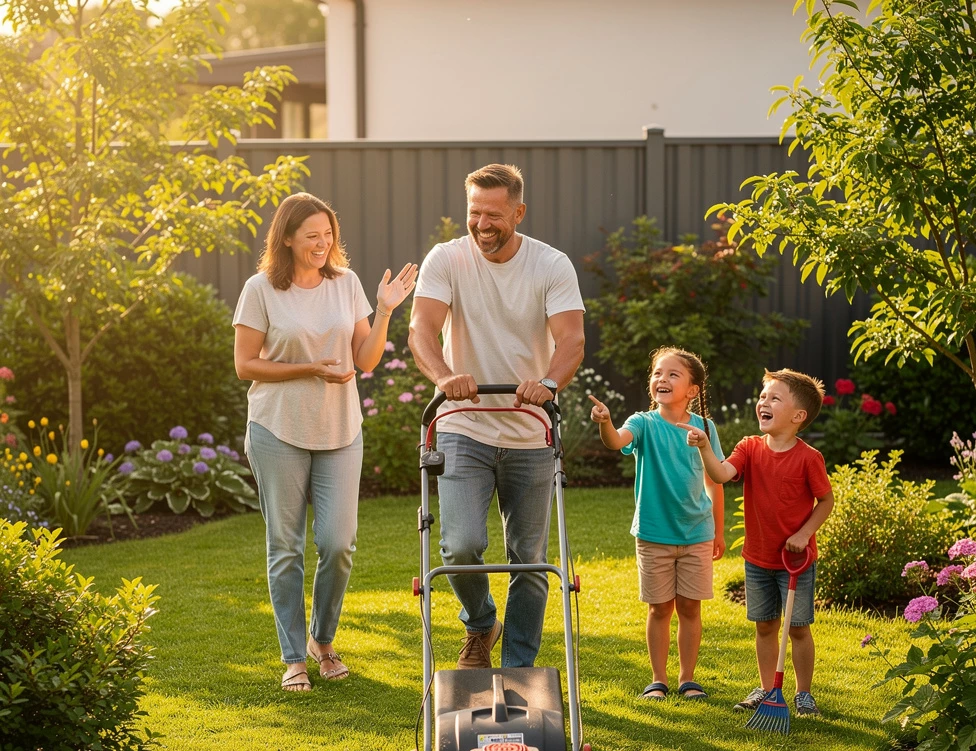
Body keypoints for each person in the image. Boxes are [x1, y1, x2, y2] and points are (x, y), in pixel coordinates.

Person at [233, 192, 417, 692]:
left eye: (328, 234)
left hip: (340, 429)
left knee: (337, 543)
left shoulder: (346, 283)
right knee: (285, 546)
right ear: (287, 238)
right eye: (311, 235)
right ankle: (294, 656)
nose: (322, 243)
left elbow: (366, 360)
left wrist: (385, 311)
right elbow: (245, 364)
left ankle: (323, 639)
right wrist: (309, 369)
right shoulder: (260, 289)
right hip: (277, 428)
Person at [408, 163, 585, 669]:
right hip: (463, 425)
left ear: (519, 212)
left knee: (529, 560)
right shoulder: (447, 259)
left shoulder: (550, 265)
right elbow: (421, 330)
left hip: (530, 429)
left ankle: (519, 669)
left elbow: (571, 339)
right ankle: (482, 622)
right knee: (460, 546)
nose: (482, 225)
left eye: (494, 215)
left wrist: (548, 383)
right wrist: (445, 376)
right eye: (474, 213)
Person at [681, 368, 834, 716]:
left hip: (796, 562)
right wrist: (705, 447)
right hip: (758, 559)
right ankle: (767, 689)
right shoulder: (749, 447)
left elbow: (826, 501)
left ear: (798, 416)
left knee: (798, 628)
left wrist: (804, 534)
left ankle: (804, 693)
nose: (763, 402)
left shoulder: (809, 458)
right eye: (763, 396)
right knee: (765, 626)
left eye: (774, 398)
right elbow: (721, 474)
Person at [589, 347, 725, 701]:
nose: (661, 379)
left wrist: (718, 531)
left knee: (690, 608)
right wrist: (605, 422)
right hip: (653, 534)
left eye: (672, 374)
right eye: (657, 373)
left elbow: (715, 480)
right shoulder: (643, 423)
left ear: (692, 390)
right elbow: (616, 440)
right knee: (660, 608)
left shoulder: (705, 428)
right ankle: (658, 680)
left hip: (697, 533)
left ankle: (688, 679)